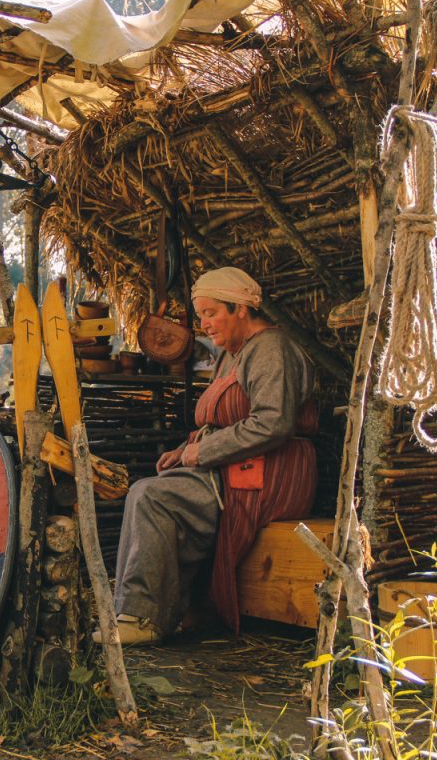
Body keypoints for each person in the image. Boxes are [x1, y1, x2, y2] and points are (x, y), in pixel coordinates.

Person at [108, 267, 319, 645]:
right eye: (201, 315)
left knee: (153, 497)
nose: (205, 324)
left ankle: (142, 618)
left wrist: (201, 452)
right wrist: (182, 451)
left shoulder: (271, 350)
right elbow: (219, 421)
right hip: (229, 465)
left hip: (268, 472)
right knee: (147, 490)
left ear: (241, 309)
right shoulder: (230, 356)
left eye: (212, 313)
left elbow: (273, 423)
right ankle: (133, 609)